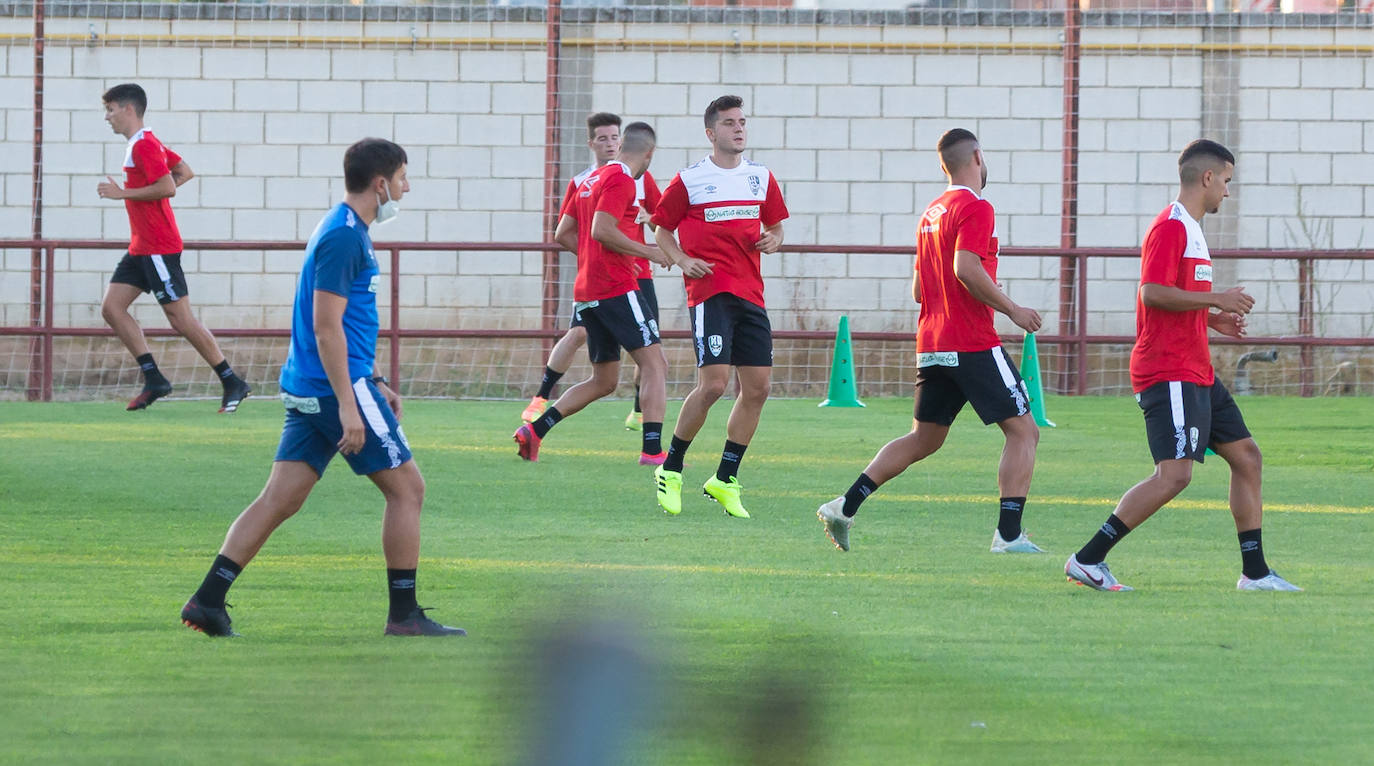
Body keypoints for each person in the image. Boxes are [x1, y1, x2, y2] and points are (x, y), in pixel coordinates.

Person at [180, 138, 464, 637]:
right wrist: (353, 405)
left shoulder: (345, 228)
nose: (406, 186)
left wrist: (374, 376)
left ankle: (207, 600)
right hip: (336, 390)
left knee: (280, 499)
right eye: (402, 177)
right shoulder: (344, 237)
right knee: (408, 491)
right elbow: (326, 326)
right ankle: (404, 616)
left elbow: (348, 323)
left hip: (320, 384)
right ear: (381, 183)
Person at [1064, 139, 1301, 593]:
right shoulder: (1171, 227)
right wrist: (1216, 297)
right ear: (1207, 177)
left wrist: (1213, 320)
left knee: (1247, 457)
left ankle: (1255, 573)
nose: (1227, 193)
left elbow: (1173, 300)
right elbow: (1151, 292)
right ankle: (1088, 559)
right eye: (1227, 182)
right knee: (1174, 475)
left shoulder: (1193, 230)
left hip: (1196, 368)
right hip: (1168, 370)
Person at [816, 128, 1044, 553]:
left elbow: (919, 290)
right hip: (971, 340)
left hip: (932, 342)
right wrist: (1012, 309)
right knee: (1024, 431)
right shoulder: (977, 206)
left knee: (925, 438)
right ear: (977, 155)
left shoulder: (932, 212)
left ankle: (844, 506)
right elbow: (966, 268)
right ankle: (1009, 535)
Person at [649, 95, 788, 519]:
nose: (739, 129)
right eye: (729, 123)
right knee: (713, 385)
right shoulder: (690, 180)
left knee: (758, 389)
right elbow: (660, 231)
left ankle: (725, 479)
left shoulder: (760, 177)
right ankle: (671, 470)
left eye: (742, 122)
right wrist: (683, 259)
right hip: (711, 294)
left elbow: (777, 227)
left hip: (752, 295)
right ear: (711, 133)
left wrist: (773, 239)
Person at [513, 123, 675, 465]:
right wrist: (647, 253)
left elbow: (563, 233)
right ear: (649, 154)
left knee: (603, 380)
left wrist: (596, 260)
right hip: (614, 287)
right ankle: (652, 451)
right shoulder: (621, 179)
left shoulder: (590, 179)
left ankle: (535, 430)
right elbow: (603, 230)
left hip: (588, 289)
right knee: (655, 364)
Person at [97, 83, 251, 413]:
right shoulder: (142, 144)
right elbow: (183, 172)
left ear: (128, 109)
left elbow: (168, 186)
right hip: (141, 246)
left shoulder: (145, 146)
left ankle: (231, 380)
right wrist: (148, 198)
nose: (107, 117)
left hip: (159, 248)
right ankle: (154, 378)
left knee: (180, 320)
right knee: (112, 308)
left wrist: (123, 194)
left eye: (110, 110)